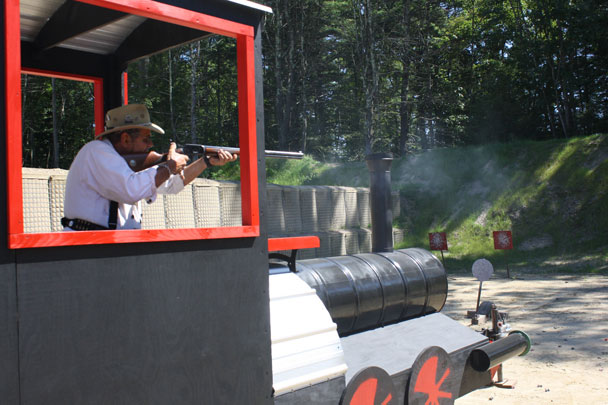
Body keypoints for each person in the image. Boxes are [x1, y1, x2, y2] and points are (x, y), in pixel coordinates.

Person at [62, 104, 237, 231]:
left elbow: (172, 185)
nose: (150, 143)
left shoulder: (123, 160)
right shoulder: (96, 151)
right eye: (146, 138)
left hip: (111, 246)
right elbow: (131, 190)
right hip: (88, 246)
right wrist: (168, 166)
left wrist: (205, 162)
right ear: (125, 139)